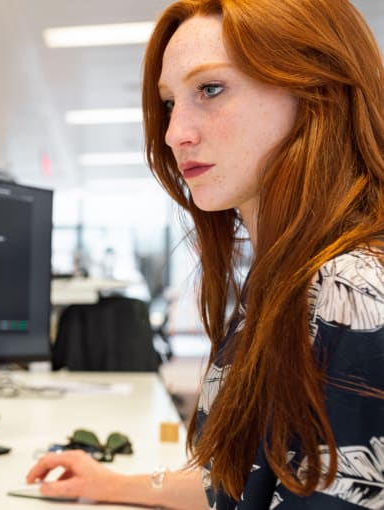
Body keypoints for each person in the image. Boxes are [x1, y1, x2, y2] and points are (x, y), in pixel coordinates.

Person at [26, 0, 384, 508]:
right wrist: (110, 485)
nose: (174, 134)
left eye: (211, 89)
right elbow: (246, 480)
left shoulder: (351, 292)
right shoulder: (286, 280)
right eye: (170, 103)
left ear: (317, 90)